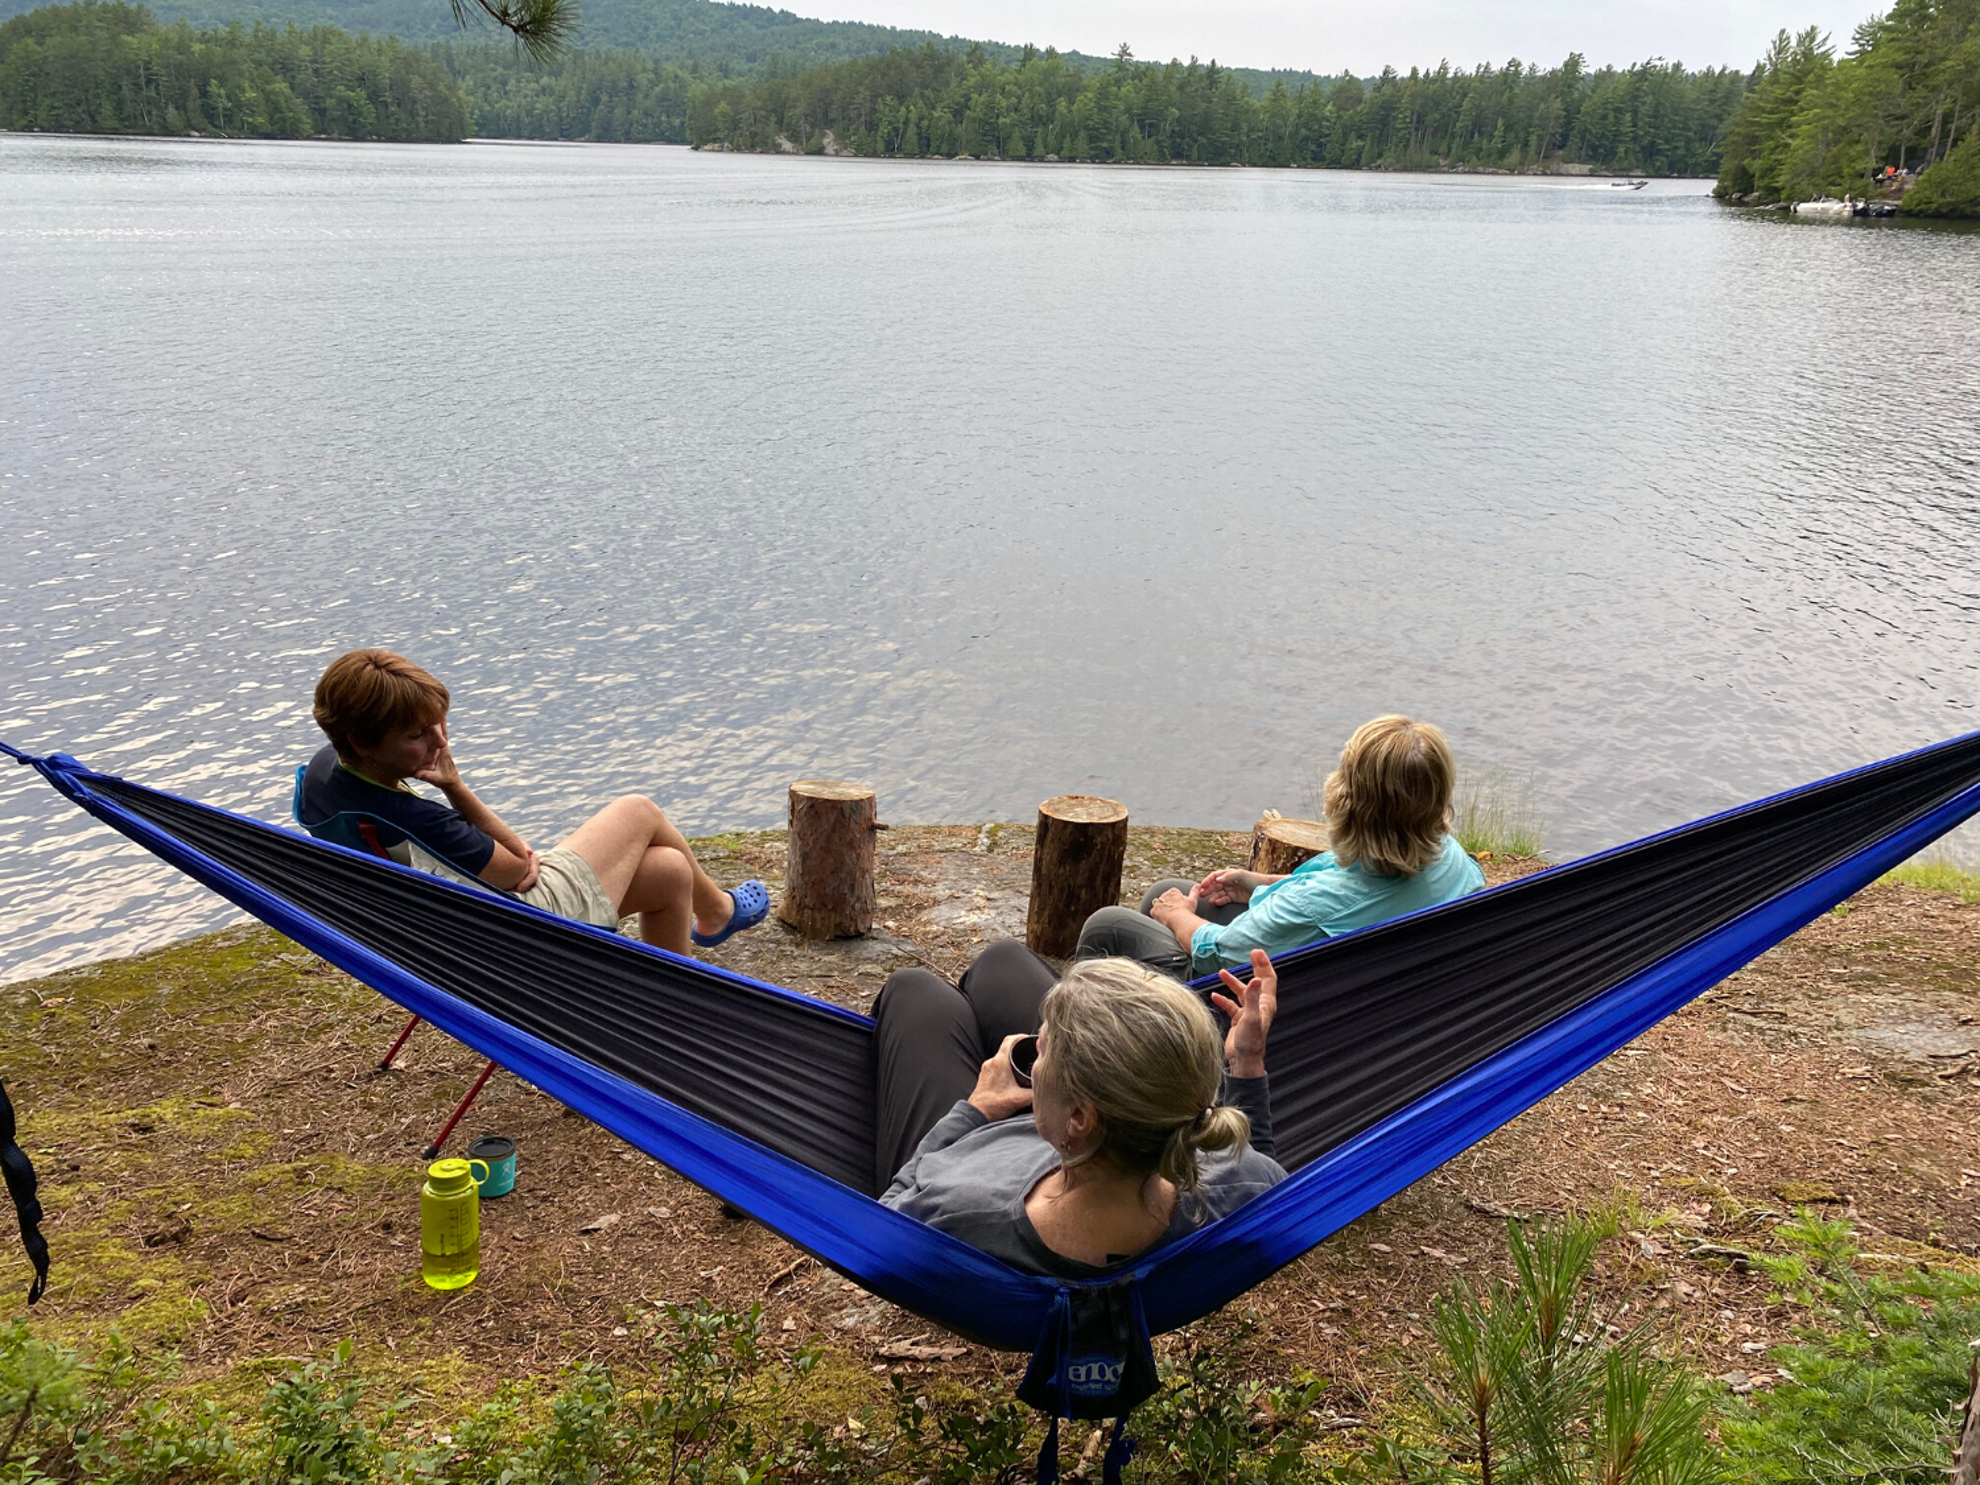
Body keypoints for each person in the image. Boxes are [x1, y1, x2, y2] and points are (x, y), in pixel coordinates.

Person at [295, 648, 767, 956]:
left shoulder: (321, 777)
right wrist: (455, 787)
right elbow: (520, 869)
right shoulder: (414, 818)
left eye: (440, 723)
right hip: (523, 933)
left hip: (447, 935)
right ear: (362, 742)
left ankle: (673, 1001)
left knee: (669, 871)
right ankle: (717, 914)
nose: (441, 740)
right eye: (417, 735)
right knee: (638, 809)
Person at [874, 939, 1285, 1275]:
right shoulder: (1233, 1181)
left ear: (1079, 1117)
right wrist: (1246, 1064)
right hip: (1087, 1143)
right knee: (1004, 960)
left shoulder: (959, 1213)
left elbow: (882, 1224)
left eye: (1043, 1051)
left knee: (914, 991)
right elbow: (1260, 1185)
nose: (1033, 1053)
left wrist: (974, 1110)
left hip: (980, 1151)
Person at [1075, 714, 1486, 980]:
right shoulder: (1454, 862)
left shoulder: (1317, 906)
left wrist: (1179, 917)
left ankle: (1082, 1050)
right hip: (1373, 992)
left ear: (1348, 803)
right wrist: (1261, 884)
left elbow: (1217, 954)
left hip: (1271, 1013)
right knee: (1164, 890)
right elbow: (1358, 888)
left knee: (1109, 924)